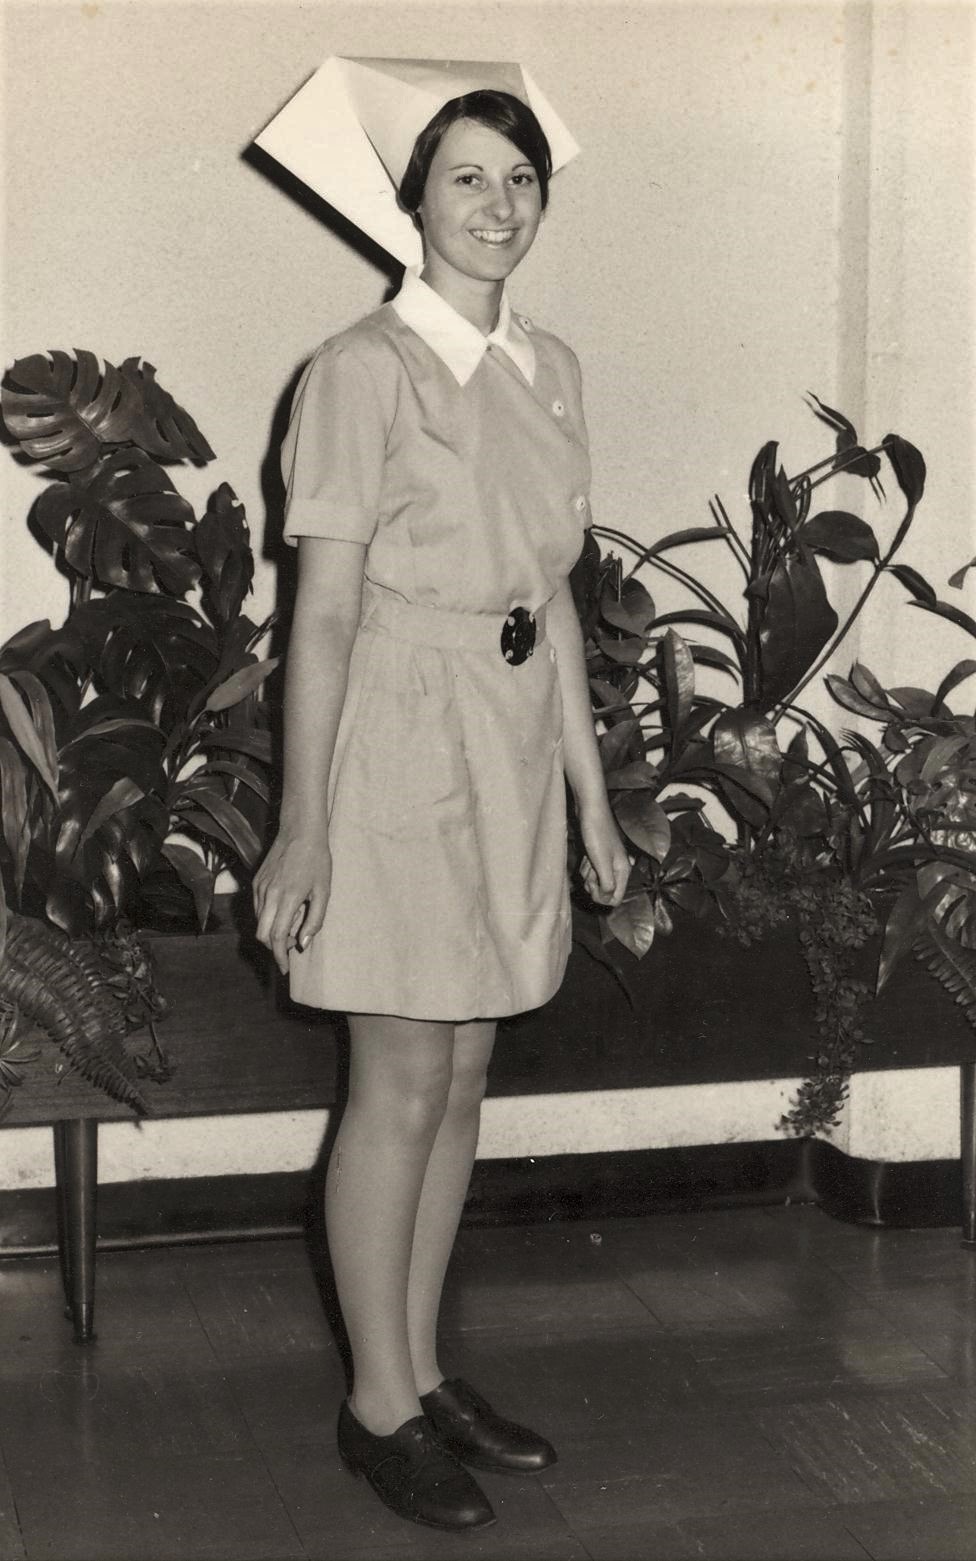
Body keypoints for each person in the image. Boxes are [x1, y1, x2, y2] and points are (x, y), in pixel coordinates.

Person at [253, 57, 629, 1533]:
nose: (499, 203)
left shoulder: (552, 366)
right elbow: (325, 616)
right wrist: (302, 819)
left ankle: (419, 1367)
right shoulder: (359, 372)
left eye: (522, 177)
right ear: (407, 200)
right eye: (466, 175)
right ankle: (376, 1405)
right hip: (397, 739)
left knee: (465, 1074)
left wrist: (593, 798)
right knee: (398, 1079)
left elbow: (556, 597)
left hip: (513, 733)